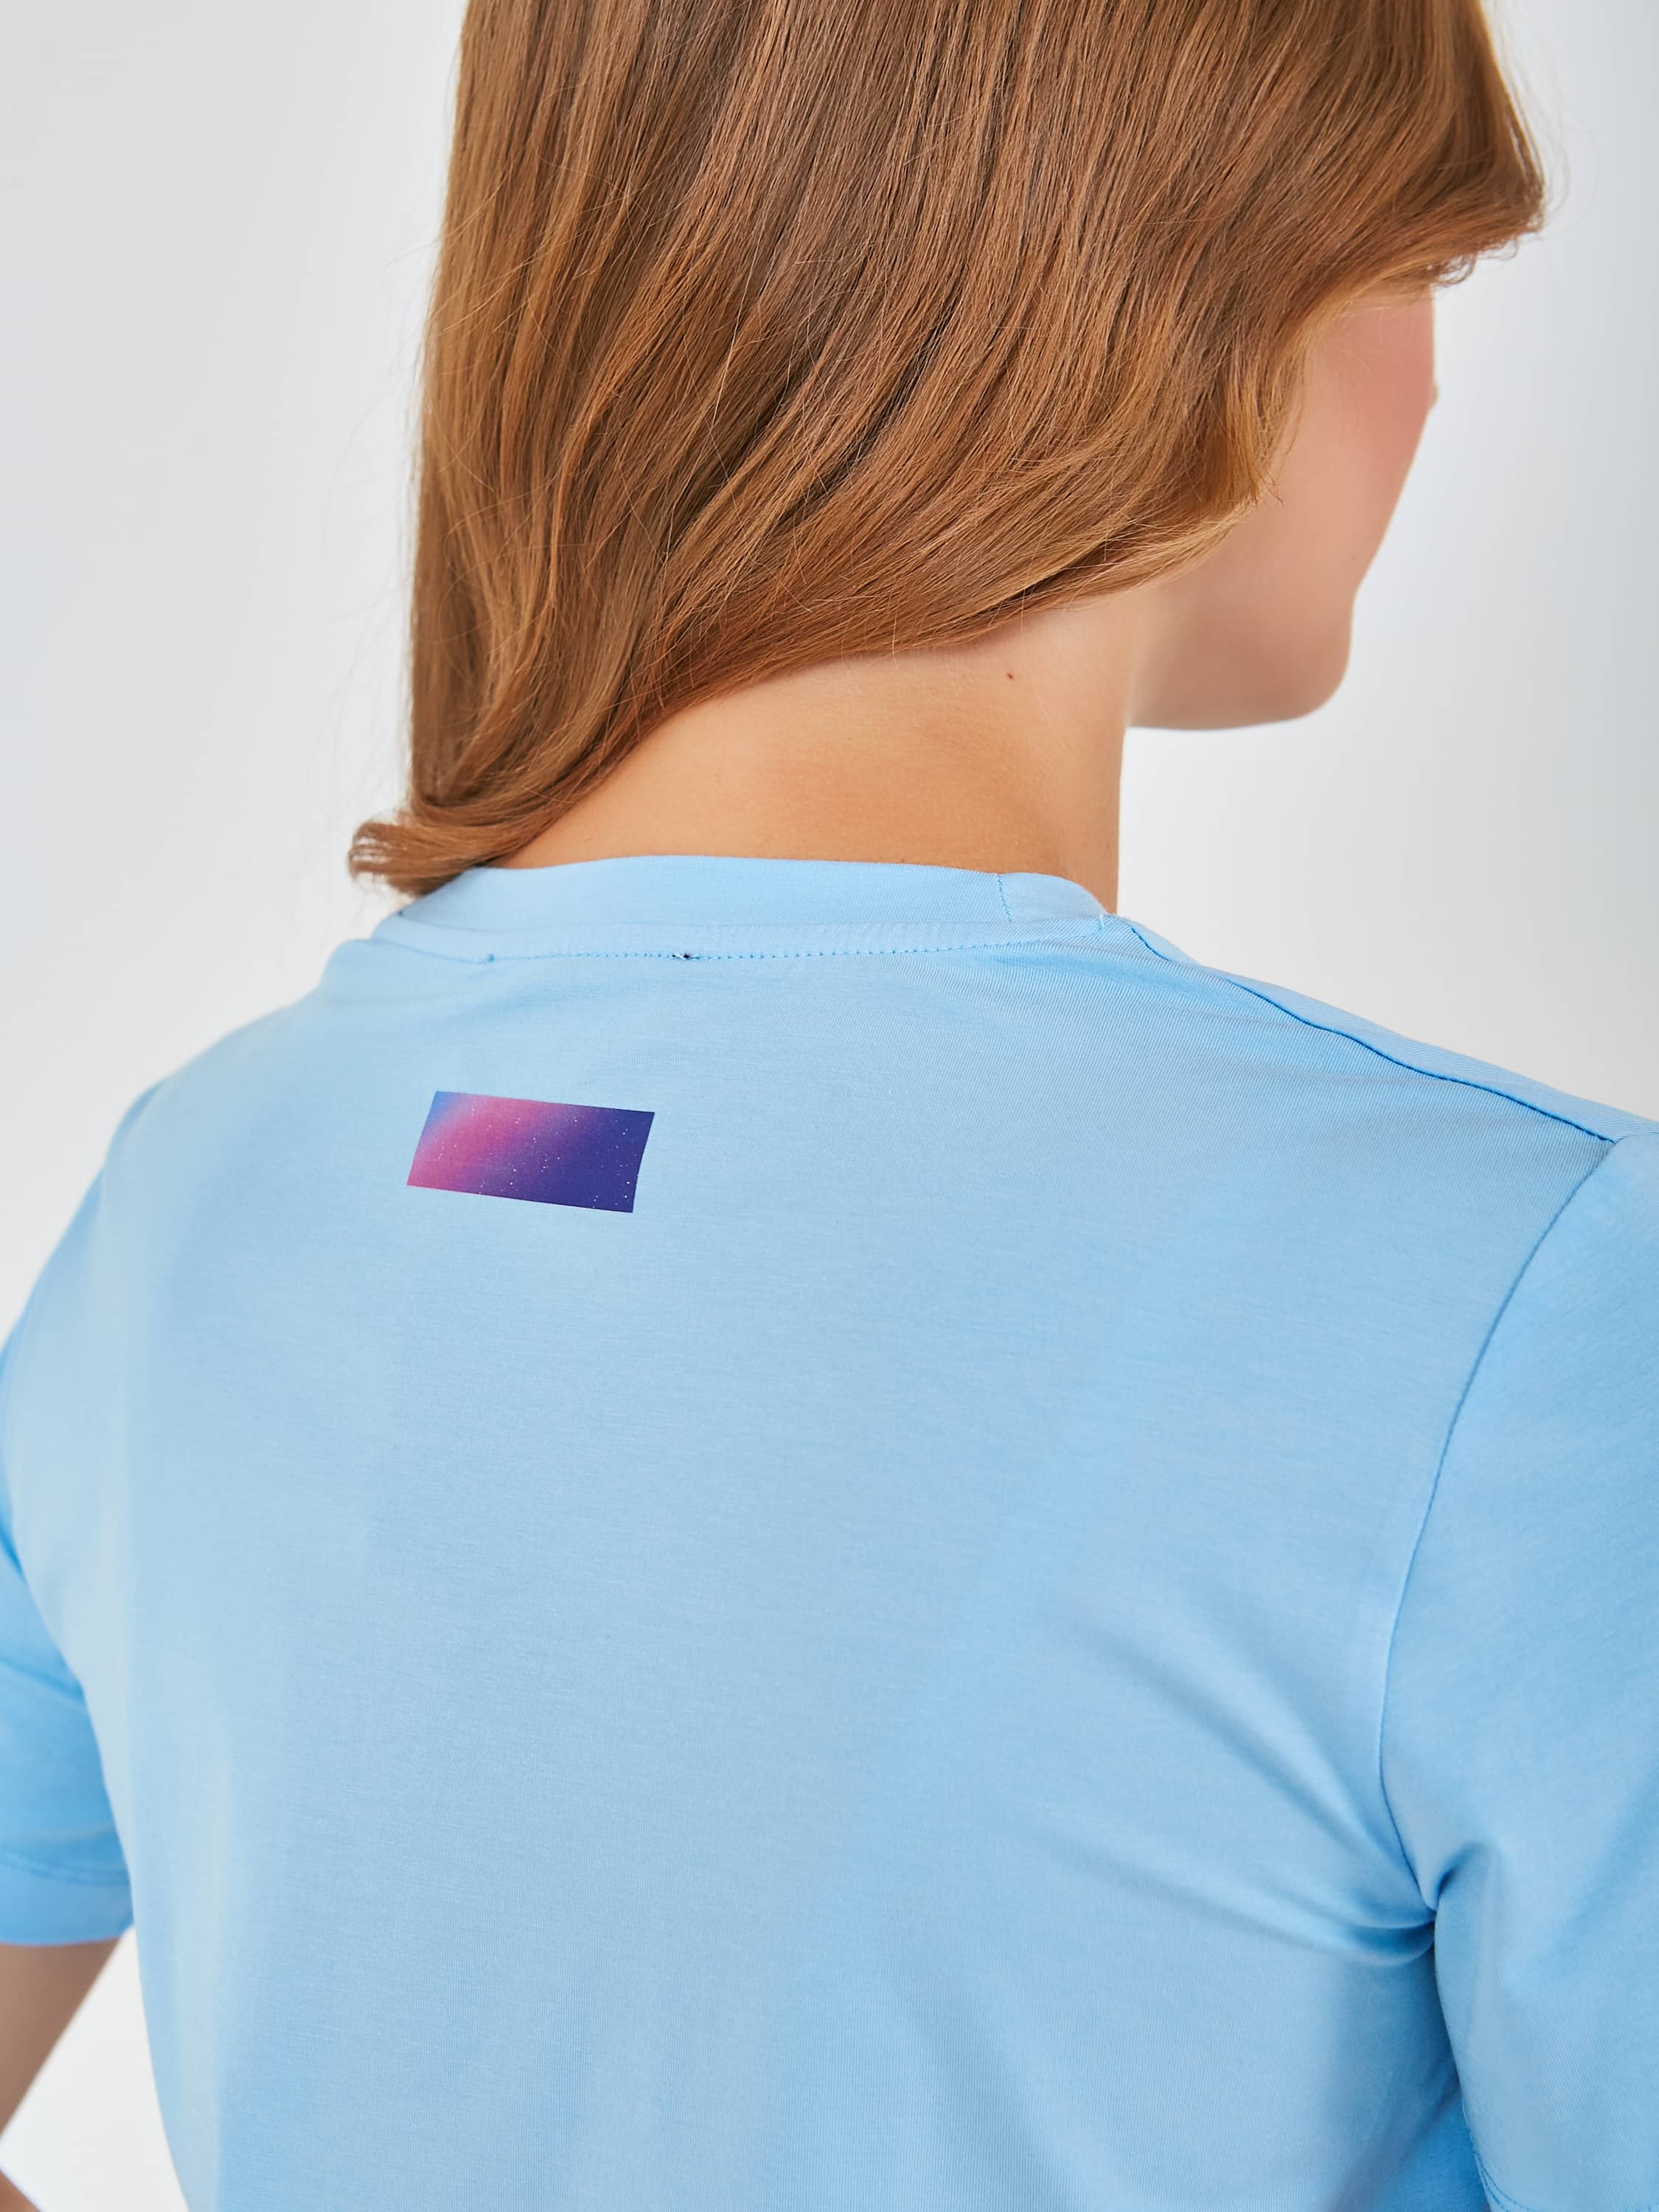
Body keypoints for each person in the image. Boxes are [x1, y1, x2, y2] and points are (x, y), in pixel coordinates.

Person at [1, 1, 1654, 2207]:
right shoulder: (1532, 1297)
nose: (1432, 385)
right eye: (1422, 266)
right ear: (1196, 278)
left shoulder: (206, 1194)